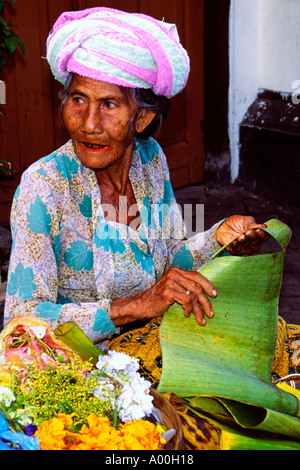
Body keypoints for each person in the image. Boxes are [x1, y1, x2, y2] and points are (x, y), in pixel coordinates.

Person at [4, 7, 268, 346]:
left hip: (152, 346)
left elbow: (170, 257)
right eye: (78, 99)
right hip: (82, 369)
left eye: (109, 105)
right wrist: (135, 307)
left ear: (141, 117)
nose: (88, 123)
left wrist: (219, 238)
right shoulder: (44, 185)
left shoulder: (150, 159)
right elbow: (21, 322)